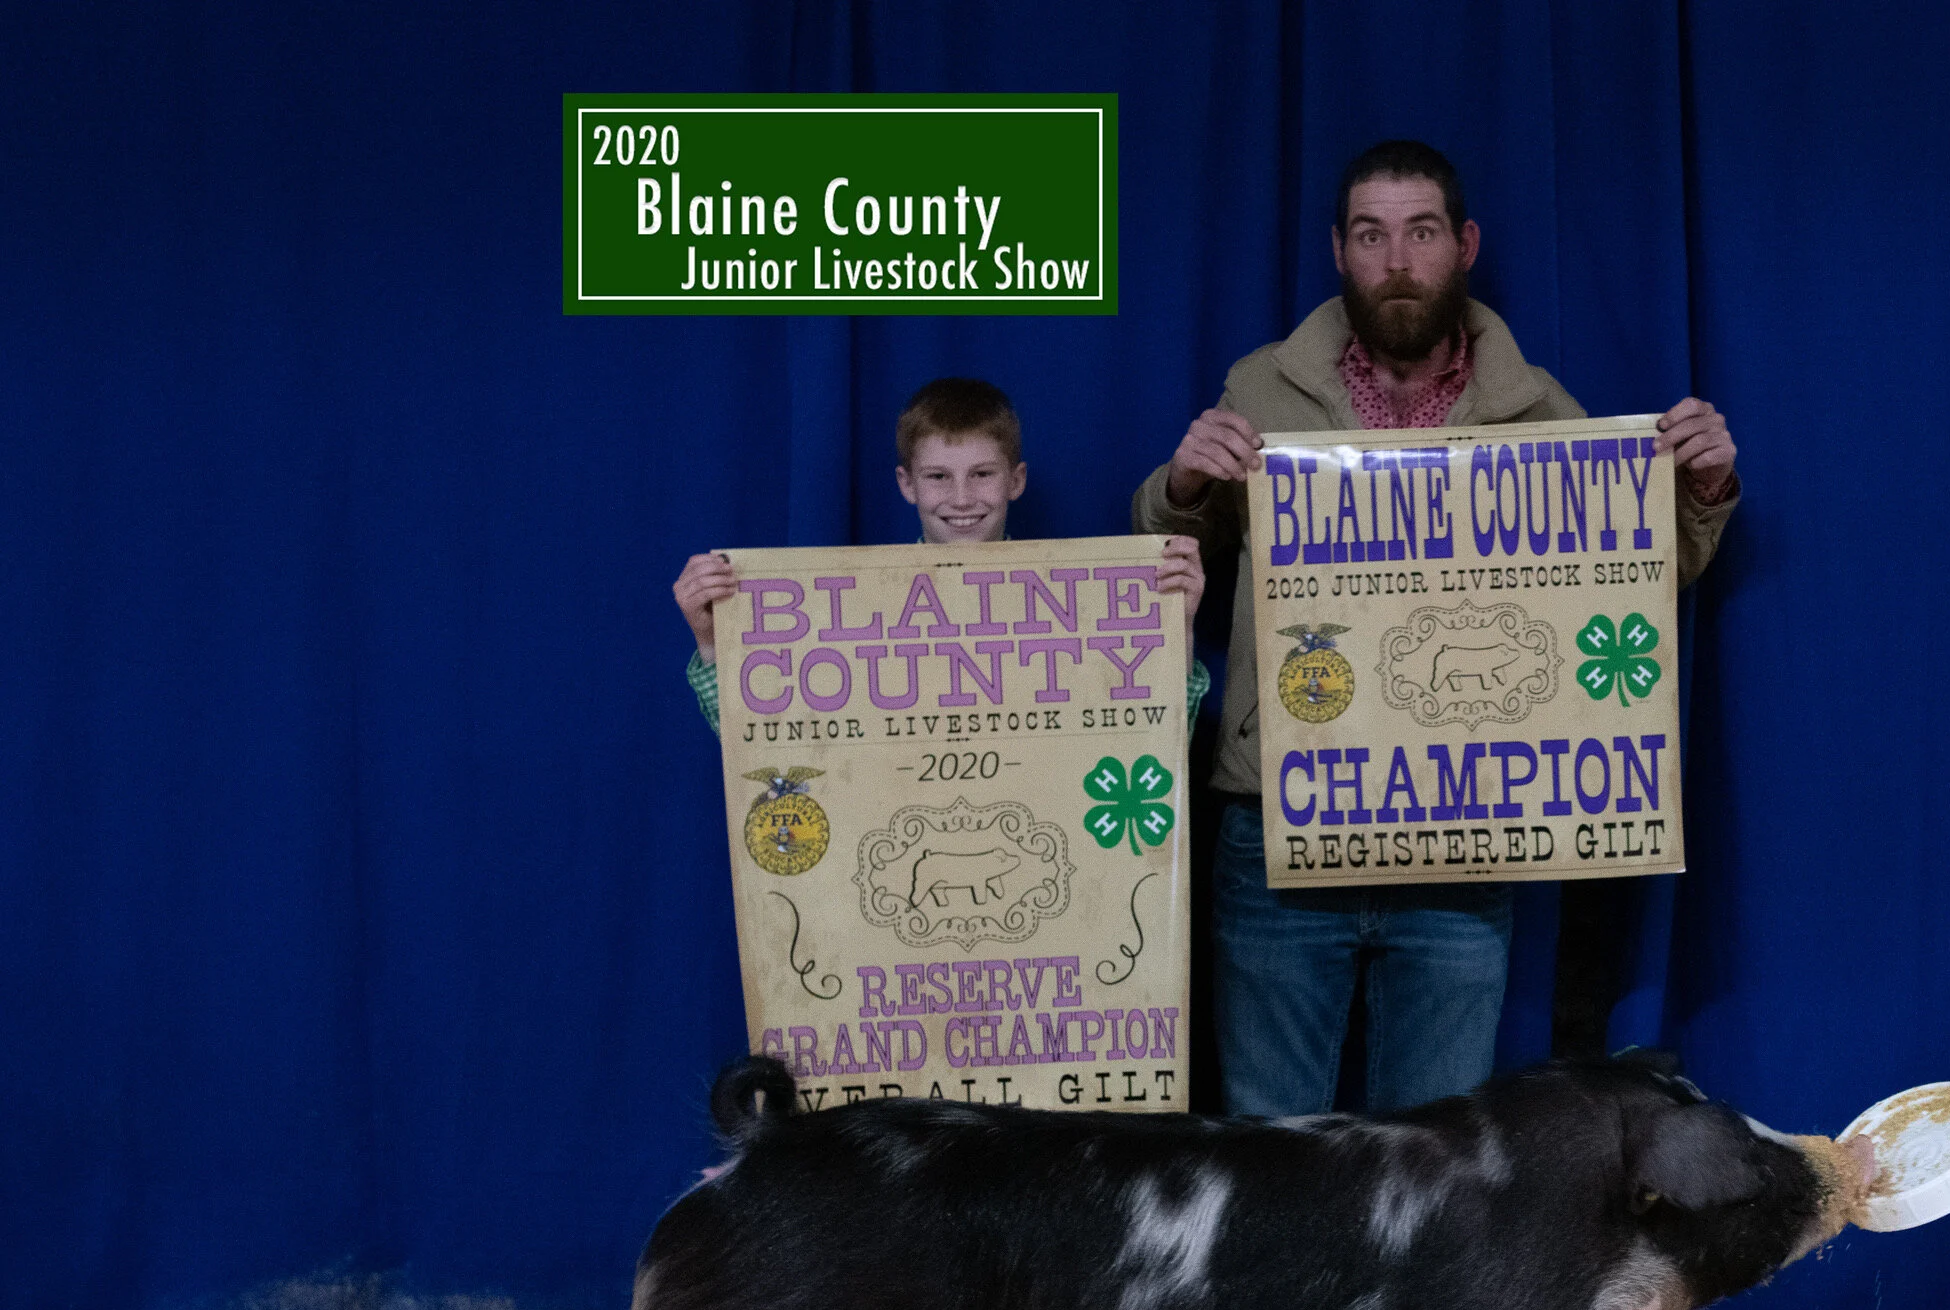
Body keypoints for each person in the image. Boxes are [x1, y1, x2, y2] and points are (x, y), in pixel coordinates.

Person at [1133, 140, 1741, 1118]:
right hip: (1279, 816)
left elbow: (1632, 575)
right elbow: (1165, 563)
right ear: (1339, 250)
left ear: (1462, 245)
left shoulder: (1541, 411)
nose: (1397, 260)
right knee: (1269, 1160)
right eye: (1371, 235)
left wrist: (1701, 488)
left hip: (1460, 834)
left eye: (1419, 232)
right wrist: (1180, 484)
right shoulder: (1258, 387)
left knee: (1436, 1161)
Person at [675, 377, 1208, 732]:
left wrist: (1175, 627)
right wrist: (711, 643)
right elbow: (769, 743)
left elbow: (1156, 740)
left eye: (982, 474)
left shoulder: (1080, 607)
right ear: (907, 484)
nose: (960, 499)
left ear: (1015, 480)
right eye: (937, 477)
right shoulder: (856, 611)